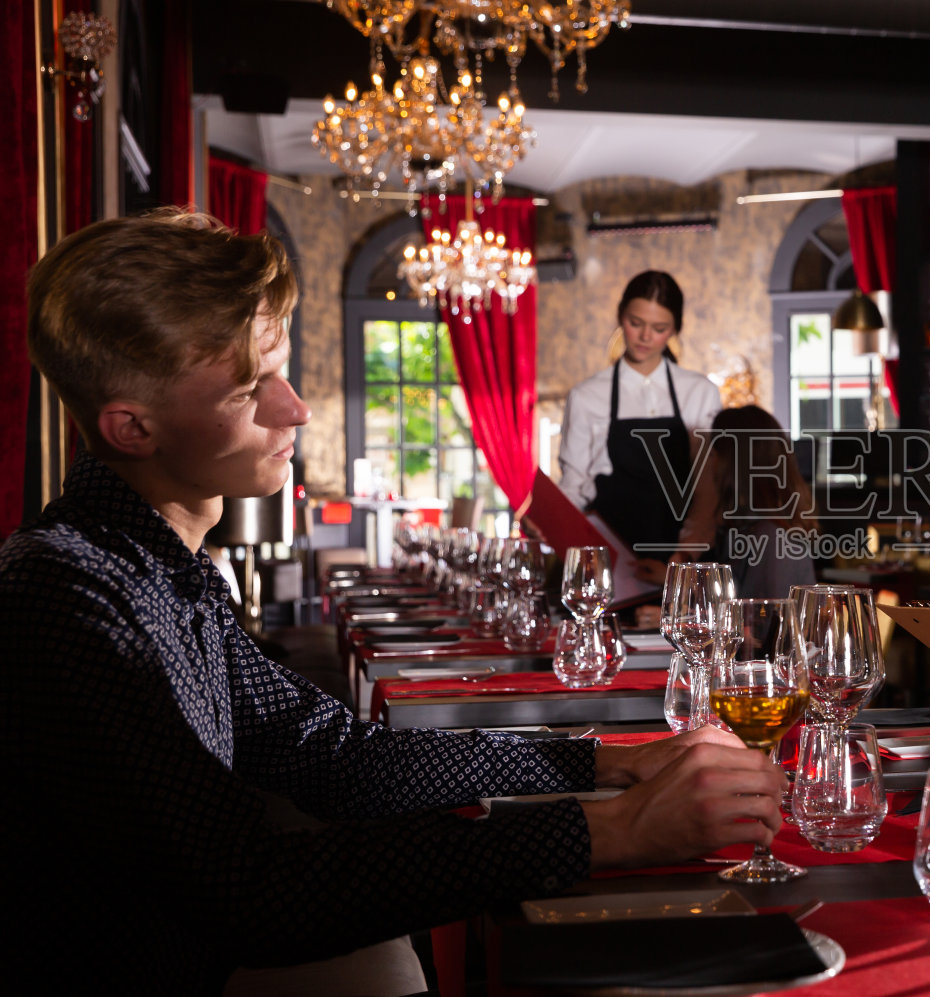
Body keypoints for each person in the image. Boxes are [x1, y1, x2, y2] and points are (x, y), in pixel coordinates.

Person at [2, 212, 785, 994]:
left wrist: (608, 759)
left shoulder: (162, 572)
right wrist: (613, 829)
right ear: (133, 428)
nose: (297, 408)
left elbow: (344, 758)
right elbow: (251, 891)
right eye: (252, 388)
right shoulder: (67, 595)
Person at [558, 271, 722, 555]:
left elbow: (708, 489)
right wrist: (551, 518)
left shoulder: (700, 392)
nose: (645, 336)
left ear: (675, 329)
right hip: (610, 555)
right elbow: (574, 485)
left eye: (659, 328)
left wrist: (681, 560)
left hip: (679, 557)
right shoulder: (586, 396)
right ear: (621, 316)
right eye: (636, 323)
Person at [672, 405, 819, 599]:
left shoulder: (771, 537)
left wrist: (677, 615)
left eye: (714, 454)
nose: (710, 462)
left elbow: (763, 620)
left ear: (734, 465)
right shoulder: (751, 529)